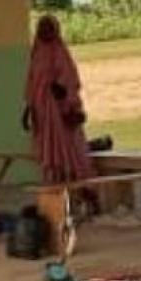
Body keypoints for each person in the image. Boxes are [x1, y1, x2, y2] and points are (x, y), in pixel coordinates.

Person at [23, 16, 95, 192]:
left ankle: (75, 183)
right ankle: (54, 182)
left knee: (67, 148)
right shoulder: (36, 53)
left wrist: (62, 90)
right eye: (42, 28)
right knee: (48, 148)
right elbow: (32, 82)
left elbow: (70, 79)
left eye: (49, 28)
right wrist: (28, 108)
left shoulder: (60, 52)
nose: (45, 32)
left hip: (60, 110)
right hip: (42, 112)